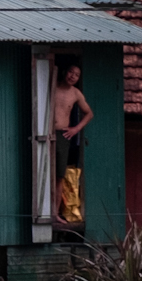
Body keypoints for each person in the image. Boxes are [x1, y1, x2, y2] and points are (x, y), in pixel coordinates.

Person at [52, 62, 90, 224]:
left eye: (76, 75)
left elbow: (88, 113)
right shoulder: (51, 87)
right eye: (71, 72)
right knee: (44, 173)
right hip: (45, 133)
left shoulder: (75, 94)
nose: (72, 76)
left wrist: (76, 129)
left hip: (63, 135)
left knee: (59, 176)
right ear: (65, 72)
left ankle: (55, 214)